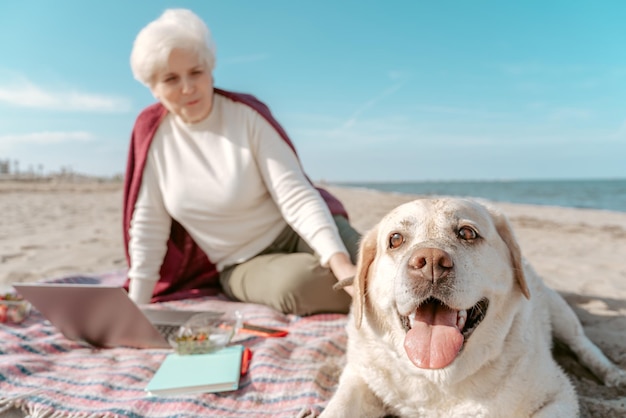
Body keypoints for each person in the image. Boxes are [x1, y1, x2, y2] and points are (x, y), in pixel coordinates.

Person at [122, 8, 360, 316]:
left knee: (376, 262)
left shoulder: (246, 115)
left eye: (196, 72)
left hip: (295, 229)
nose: (187, 87)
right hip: (241, 263)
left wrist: (341, 263)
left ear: (210, 70)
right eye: (171, 79)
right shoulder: (153, 137)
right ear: (153, 87)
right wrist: (135, 307)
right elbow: (148, 226)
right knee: (300, 285)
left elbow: (296, 194)